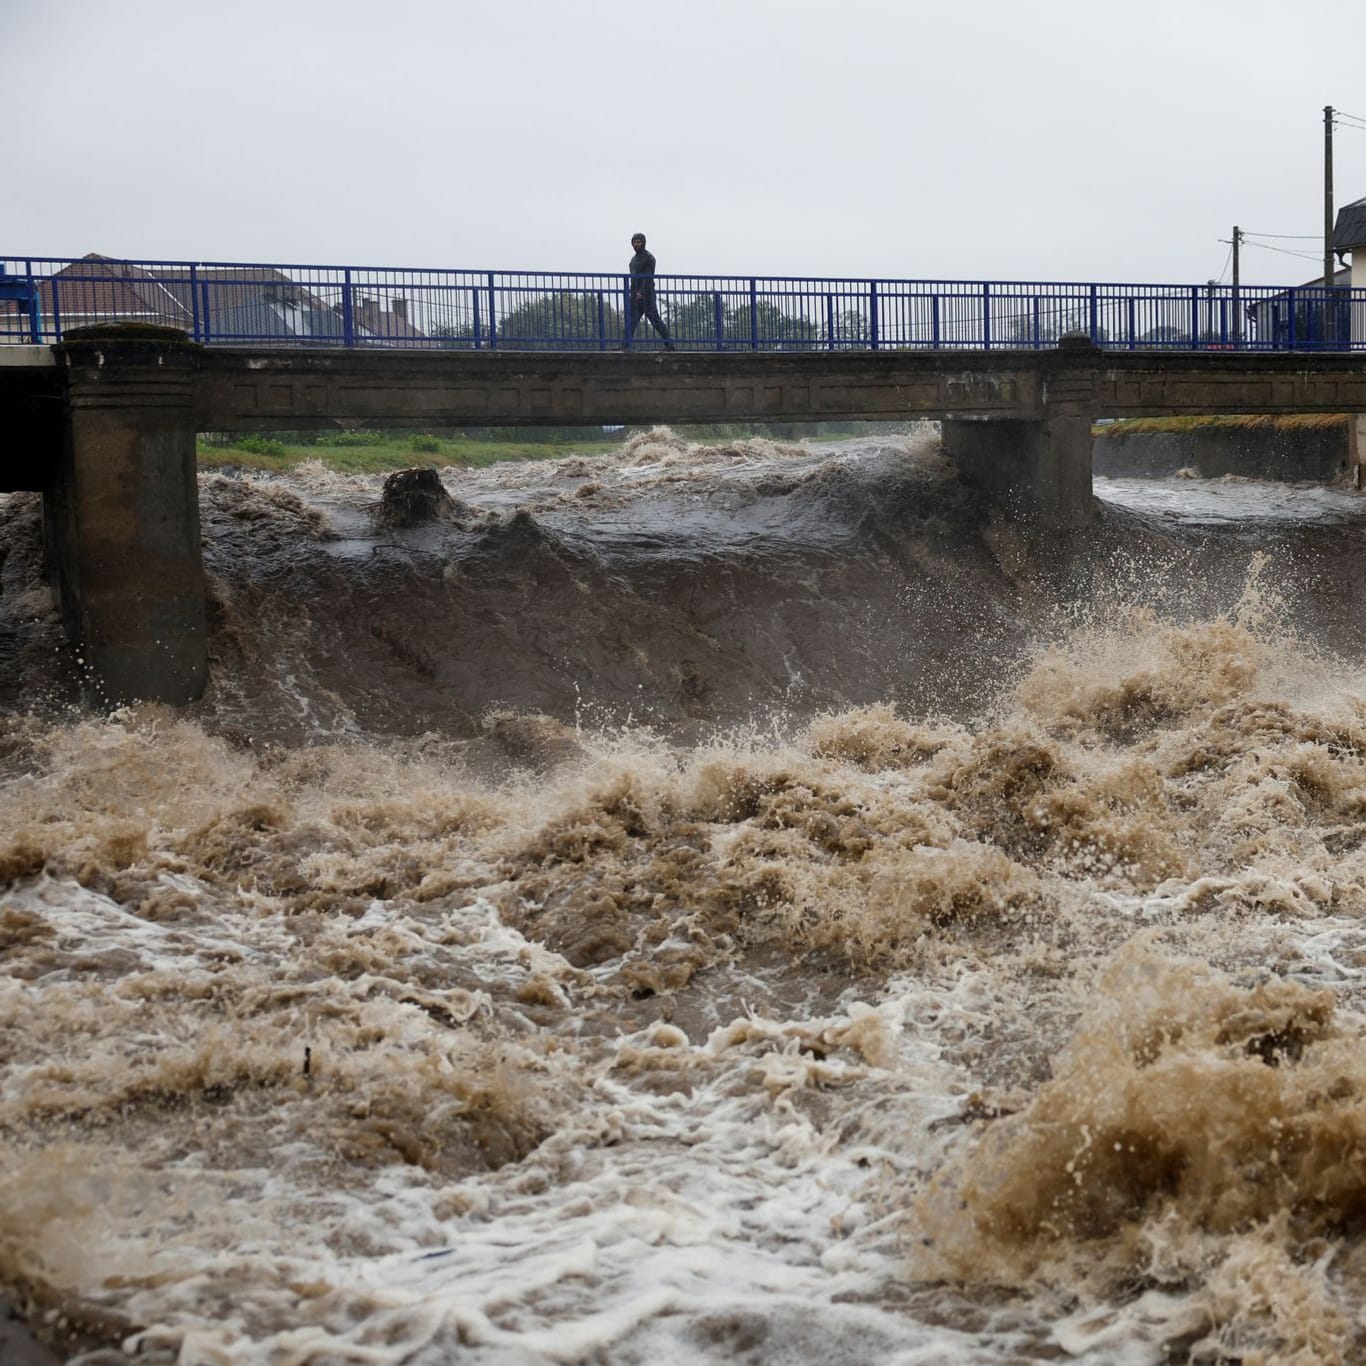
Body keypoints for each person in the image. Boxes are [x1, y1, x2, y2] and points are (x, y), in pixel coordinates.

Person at [623, 232, 675, 350]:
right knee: (631, 321)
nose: (636, 245)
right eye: (634, 242)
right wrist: (632, 293)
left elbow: (648, 277)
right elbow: (633, 278)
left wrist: (641, 292)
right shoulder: (633, 260)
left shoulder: (649, 258)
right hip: (635, 295)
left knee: (655, 321)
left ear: (643, 243)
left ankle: (669, 344)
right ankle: (625, 345)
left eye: (638, 242)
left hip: (647, 296)